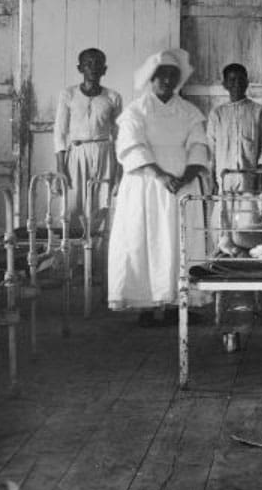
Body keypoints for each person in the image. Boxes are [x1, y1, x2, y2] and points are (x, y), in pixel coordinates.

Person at [107, 49, 212, 325]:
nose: (167, 81)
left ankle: (180, 302)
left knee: (180, 239)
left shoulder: (189, 111)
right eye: (161, 76)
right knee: (148, 239)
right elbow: (132, 146)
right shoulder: (135, 110)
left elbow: (199, 144)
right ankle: (149, 302)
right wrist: (160, 175)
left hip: (183, 185)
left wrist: (188, 174)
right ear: (151, 79)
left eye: (172, 76)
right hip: (147, 184)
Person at [53, 47, 122, 229]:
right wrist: (61, 168)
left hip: (104, 155)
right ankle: (73, 255)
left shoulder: (113, 97)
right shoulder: (68, 95)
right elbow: (60, 132)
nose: (93, 68)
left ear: (104, 70)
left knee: (101, 206)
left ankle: (97, 255)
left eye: (97, 64)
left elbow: (119, 136)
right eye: (88, 64)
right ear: (80, 68)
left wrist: (119, 170)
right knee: (73, 206)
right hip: (76, 154)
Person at [207, 63, 262, 252]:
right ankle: (221, 259)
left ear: (247, 82)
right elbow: (210, 149)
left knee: (248, 222)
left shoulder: (258, 110)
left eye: (240, 79)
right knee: (221, 223)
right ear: (224, 84)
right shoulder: (217, 114)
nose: (236, 84)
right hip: (223, 177)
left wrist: (261, 169)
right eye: (232, 80)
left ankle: (246, 259)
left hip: (248, 175)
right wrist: (211, 177)